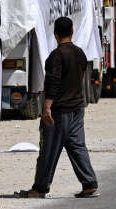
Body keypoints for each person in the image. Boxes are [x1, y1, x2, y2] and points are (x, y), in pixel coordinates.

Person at [17, 17, 99, 199]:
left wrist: (47, 106)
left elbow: (53, 82)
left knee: (49, 149)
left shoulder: (56, 56)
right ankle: (89, 183)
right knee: (77, 146)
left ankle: (40, 188)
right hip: (78, 109)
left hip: (60, 111)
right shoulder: (80, 54)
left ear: (55, 34)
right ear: (72, 32)